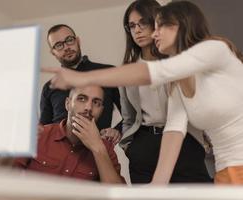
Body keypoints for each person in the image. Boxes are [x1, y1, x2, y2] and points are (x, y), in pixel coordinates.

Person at [44, 1, 243, 184]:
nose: (154, 33)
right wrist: (156, 185)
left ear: (181, 25)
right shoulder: (178, 85)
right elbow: (174, 130)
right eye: (133, 26)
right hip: (225, 170)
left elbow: (153, 73)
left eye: (160, 26)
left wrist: (83, 78)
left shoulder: (216, 49)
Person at [119, 0, 211, 183]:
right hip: (144, 144)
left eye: (143, 23)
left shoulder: (178, 61)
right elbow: (128, 117)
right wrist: (129, 146)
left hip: (185, 141)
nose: (137, 30)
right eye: (132, 26)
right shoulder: (127, 70)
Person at [0, 85, 124, 184]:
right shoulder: (40, 136)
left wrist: (98, 148)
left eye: (96, 103)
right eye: (81, 99)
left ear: (101, 110)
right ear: (67, 104)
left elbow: (119, 195)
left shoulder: (105, 148)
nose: (88, 108)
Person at [40, 24, 122, 144]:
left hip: (99, 152)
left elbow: (131, 116)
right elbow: (44, 129)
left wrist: (117, 130)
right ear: (53, 52)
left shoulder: (108, 73)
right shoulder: (49, 87)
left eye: (69, 40)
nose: (66, 47)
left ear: (77, 41)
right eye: (58, 45)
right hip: (60, 157)